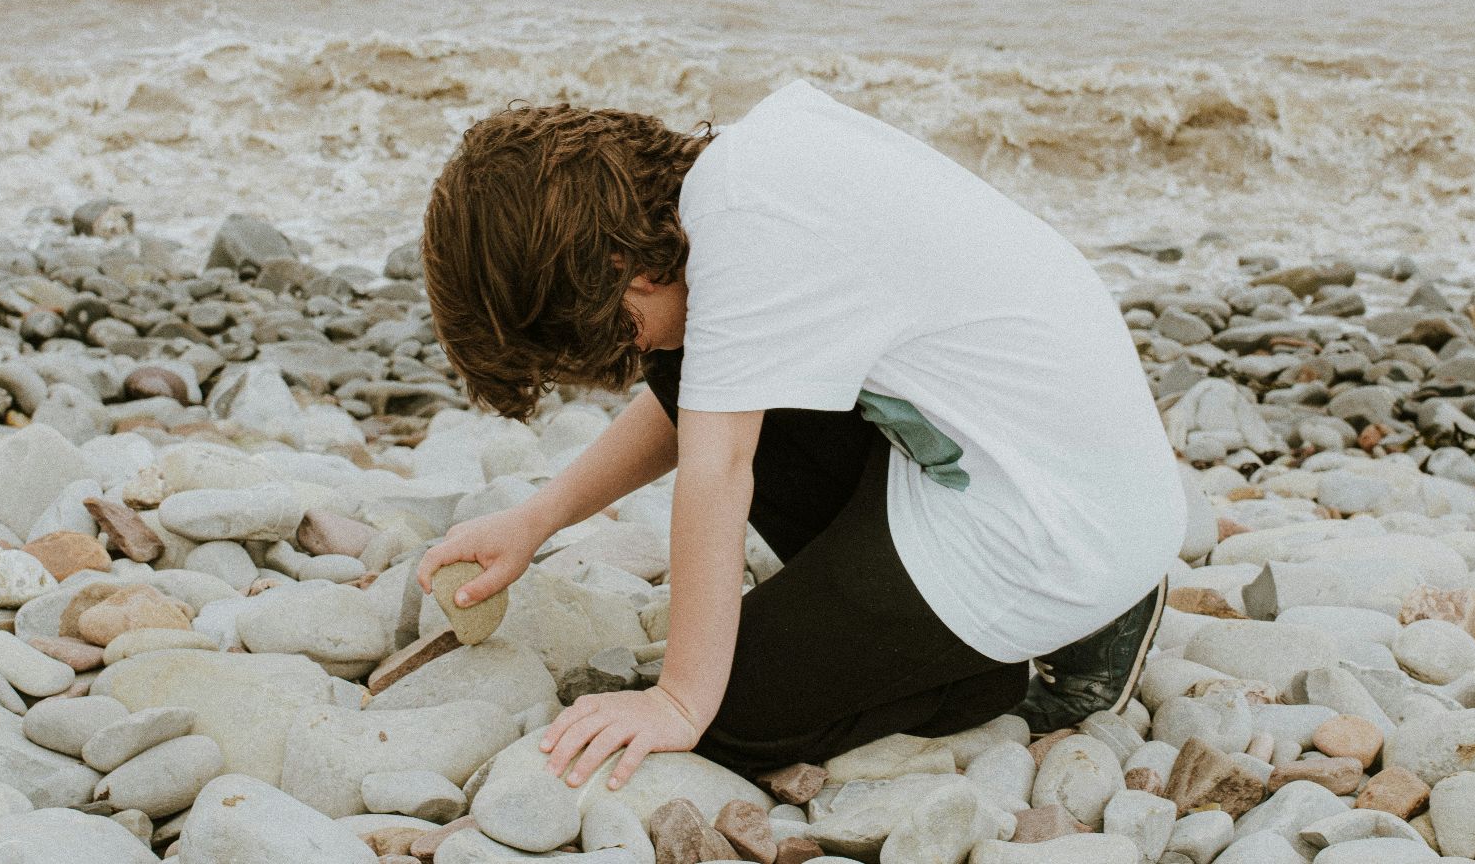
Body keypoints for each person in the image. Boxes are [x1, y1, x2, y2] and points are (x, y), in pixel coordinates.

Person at [414, 78, 1186, 792]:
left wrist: (681, 701)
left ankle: (998, 667)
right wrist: (536, 519)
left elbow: (717, 471)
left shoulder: (750, 239)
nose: (631, 359)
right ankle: (962, 648)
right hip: (1049, 465)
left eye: (621, 341)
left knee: (734, 722)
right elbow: (712, 393)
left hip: (1058, 528)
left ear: (621, 263)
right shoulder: (743, 178)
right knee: (687, 364)